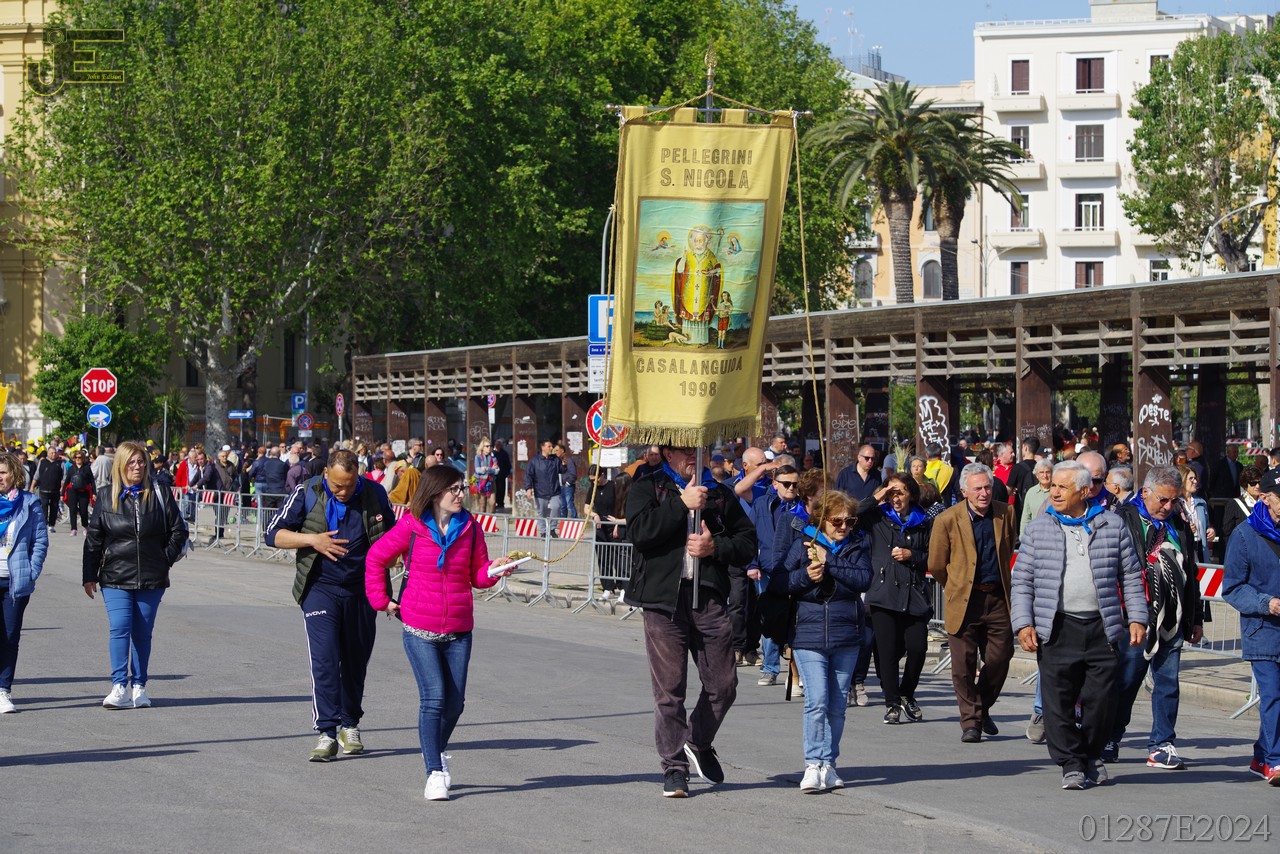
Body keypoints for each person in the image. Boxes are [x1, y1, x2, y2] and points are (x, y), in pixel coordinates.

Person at [364, 464, 518, 800]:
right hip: (419, 627)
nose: (461, 494)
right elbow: (376, 558)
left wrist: (495, 570)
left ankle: (435, 748)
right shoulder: (412, 526)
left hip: (459, 629)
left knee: (455, 704)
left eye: (462, 488)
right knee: (434, 698)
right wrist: (381, 600)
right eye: (454, 489)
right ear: (435, 494)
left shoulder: (471, 528)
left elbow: (477, 576)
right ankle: (434, 771)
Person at [624, 445, 756, 797]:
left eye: (700, 449)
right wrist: (680, 504)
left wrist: (716, 548)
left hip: (707, 598)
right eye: (685, 450)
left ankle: (697, 739)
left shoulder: (719, 493)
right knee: (670, 691)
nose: (694, 456)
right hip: (662, 601)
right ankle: (673, 767)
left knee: (724, 684)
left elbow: (747, 543)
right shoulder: (649, 486)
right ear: (668, 453)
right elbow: (639, 533)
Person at [1012, 460, 1149, 790]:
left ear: (1084, 491)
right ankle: (1072, 763)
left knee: (1101, 701)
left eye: (1063, 487)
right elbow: (1023, 580)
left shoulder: (1111, 525)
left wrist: (1137, 617)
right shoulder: (1039, 528)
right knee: (1058, 702)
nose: (1055, 492)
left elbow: (1131, 575)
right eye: (1053, 486)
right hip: (1057, 626)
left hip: (1102, 627)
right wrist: (1023, 623)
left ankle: (1091, 755)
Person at [265, 449, 395, 761]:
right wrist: (313, 540)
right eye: (337, 486)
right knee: (325, 658)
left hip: (362, 589)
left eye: (350, 485)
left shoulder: (375, 493)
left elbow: (394, 536)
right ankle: (326, 732)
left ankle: (350, 724)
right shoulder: (307, 492)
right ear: (326, 474)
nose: (344, 492)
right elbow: (273, 534)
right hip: (320, 588)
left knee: (355, 661)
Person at [1108, 465, 1203, 769]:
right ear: (1145, 492)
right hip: (1135, 617)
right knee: (1127, 681)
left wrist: (1196, 618)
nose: (1168, 506)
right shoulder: (1123, 518)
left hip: (1171, 618)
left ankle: (1162, 744)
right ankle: (1110, 735)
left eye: (1174, 500)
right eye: (1163, 499)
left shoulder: (1179, 523)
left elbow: (1191, 572)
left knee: (1168, 683)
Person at [82, 441, 189, 710]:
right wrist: (89, 575)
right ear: (121, 464)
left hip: (152, 576)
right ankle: (119, 686)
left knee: (142, 632)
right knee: (120, 627)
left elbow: (178, 530)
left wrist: (164, 559)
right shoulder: (106, 495)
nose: (137, 466)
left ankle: (139, 686)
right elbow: (94, 538)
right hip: (115, 575)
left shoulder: (160, 493)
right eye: (131, 462)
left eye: (141, 461)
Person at [784, 490, 872, 792]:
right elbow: (782, 582)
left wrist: (830, 561)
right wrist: (806, 576)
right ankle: (813, 763)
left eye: (850, 521)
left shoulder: (857, 545)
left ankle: (829, 764)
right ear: (822, 519)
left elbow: (863, 580)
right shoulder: (803, 543)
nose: (844, 527)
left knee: (837, 704)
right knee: (817, 700)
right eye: (837, 521)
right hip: (809, 635)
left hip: (846, 634)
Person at [927, 462, 1015, 743]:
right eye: (977, 489)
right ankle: (971, 722)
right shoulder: (947, 519)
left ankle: (982, 706)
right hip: (964, 599)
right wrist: (956, 585)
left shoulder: (1006, 513)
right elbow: (936, 565)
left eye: (987, 487)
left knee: (1000, 658)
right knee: (963, 666)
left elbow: (1008, 548)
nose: (984, 493)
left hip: (997, 597)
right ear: (964, 491)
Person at [857, 473, 933, 725]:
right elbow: (853, 514)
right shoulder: (878, 517)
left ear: (911, 493)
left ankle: (906, 693)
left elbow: (935, 557)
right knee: (887, 652)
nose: (895, 498)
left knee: (918, 648)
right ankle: (891, 703)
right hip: (884, 594)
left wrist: (913, 555)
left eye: (900, 492)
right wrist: (879, 495)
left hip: (914, 595)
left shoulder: (924, 521)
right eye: (891, 493)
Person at [1222, 467, 1280, 785]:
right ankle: (1275, 760)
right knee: (1272, 695)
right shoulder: (1245, 535)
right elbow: (1232, 587)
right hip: (1262, 629)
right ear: (1266, 497)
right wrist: (1266, 603)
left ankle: (1261, 755)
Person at [0, 453, 49, 714]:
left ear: (14, 474)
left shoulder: (29, 503)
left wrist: (31, 572)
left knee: (9, 636)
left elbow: (40, 540)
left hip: (15, 580)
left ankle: (3, 690)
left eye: (3, 472)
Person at [747, 464, 800, 687]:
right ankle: (770, 668)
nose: (792, 488)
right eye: (787, 483)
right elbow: (750, 535)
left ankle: (797, 673)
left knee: (796, 620)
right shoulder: (761, 503)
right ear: (775, 483)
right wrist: (752, 564)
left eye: (795, 484)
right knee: (770, 619)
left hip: (796, 571)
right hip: (767, 571)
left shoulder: (802, 507)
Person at [672, 225, 722, 346]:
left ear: (706, 242)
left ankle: (701, 340)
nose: (698, 244)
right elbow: (679, 270)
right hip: (688, 294)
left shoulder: (710, 256)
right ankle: (687, 340)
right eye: (696, 241)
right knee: (688, 316)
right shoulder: (688, 255)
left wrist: (711, 272)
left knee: (702, 317)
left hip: (704, 294)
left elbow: (718, 269)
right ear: (693, 242)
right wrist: (683, 257)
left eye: (701, 241)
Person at [524, 439, 563, 536]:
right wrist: (528, 488)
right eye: (549, 446)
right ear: (543, 448)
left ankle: (552, 528)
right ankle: (543, 531)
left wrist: (564, 464)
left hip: (554, 490)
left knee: (556, 507)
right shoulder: (535, 461)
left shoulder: (555, 459)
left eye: (551, 446)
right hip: (540, 491)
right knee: (542, 512)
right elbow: (529, 475)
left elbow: (562, 470)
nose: (551, 448)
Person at [1178, 465, 1213, 561]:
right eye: (1191, 478)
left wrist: (1210, 530)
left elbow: (1207, 525)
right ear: (1182, 480)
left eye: (1195, 478)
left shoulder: (1201, 502)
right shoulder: (1175, 503)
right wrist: (1186, 528)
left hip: (1201, 549)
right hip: (1184, 550)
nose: (1195, 481)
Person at [1221, 465, 1264, 545]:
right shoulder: (1234, 504)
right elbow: (1227, 532)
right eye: (1253, 483)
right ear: (1245, 484)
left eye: (1259, 482)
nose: (1257, 486)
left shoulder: (1266, 503)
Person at [63, 449, 96, 536]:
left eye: (79, 457)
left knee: (83, 510)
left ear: (83, 458)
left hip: (84, 491)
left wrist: (94, 493)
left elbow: (92, 481)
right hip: (72, 491)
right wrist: (62, 493)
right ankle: (73, 529)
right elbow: (66, 481)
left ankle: (85, 526)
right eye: (76, 457)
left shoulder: (87, 468)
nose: (77, 459)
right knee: (72, 509)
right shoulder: (71, 468)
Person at [1018, 459, 1053, 532]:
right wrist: (1023, 536)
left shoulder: (1057, 491)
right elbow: (1026, 518)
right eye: (1041, 472)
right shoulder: (1031, 492)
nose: (1045, 475)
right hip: (1035, 534)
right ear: (1037, 475)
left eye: (1047, 472)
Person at [33, 450, 63, 533]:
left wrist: (62, 487)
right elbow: (36, 475)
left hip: (55, 490)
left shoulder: (60, 463)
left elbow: (64, 477)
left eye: (55, 453)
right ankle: (44, 524)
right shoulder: (42, 462)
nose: (53, 454)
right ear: (48, 454)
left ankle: (51, 525)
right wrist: (32, 486)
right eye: (52, 453)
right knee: (44, 507)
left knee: (54, 508)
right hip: (44, 490)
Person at [472, 439, 498, 515]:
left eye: (490, 446)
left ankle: (491, 519)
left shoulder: (493, 457)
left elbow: (497, 471)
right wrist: (491, 469)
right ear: (482, 447)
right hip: (481, 482)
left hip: (491, 481)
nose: (489, 448)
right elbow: (478, 470)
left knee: (493, 503)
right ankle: (481, 520)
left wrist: (486, 468)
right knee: (482, 504)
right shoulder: (478, 457)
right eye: (487, 446)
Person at [492, 439, 512, 511]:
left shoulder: (504, 453)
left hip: (501, 475)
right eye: (497, 445)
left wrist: (506, 473)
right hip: (493, 475)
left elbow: (508, 464)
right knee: (494, 489)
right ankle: (494, 503)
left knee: (501, 489)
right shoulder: (492, 453)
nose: (498, 446)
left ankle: (500, 503)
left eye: (500, 445)